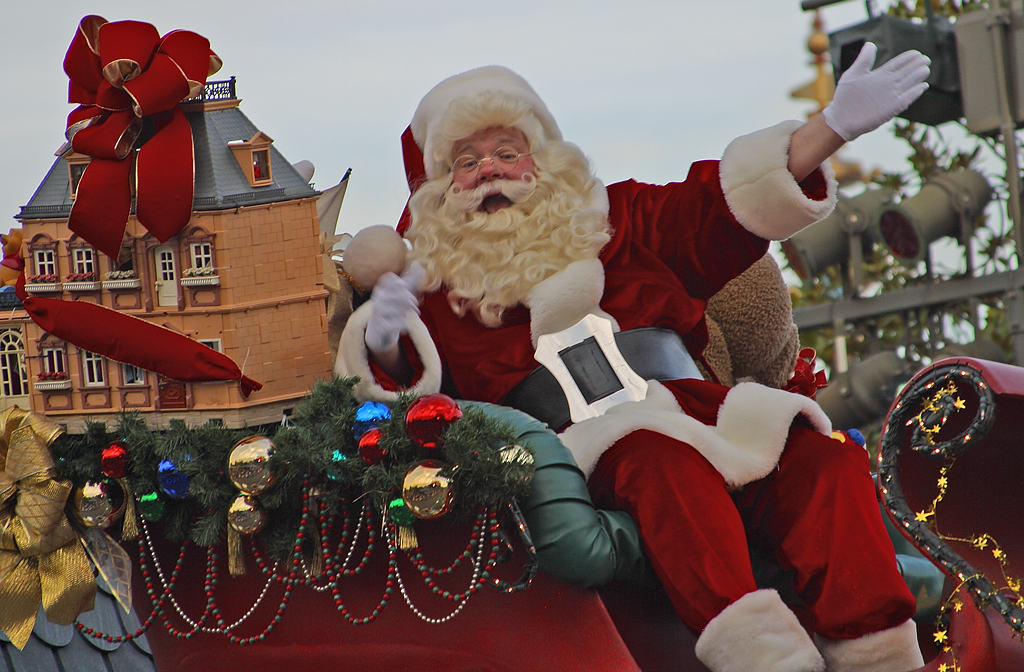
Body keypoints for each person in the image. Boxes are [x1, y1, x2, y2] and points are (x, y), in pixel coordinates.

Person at [337, 45, 930, 672]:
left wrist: (829, 129)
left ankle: (879, 656)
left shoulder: (623, 220)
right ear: (441, 186)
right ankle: (767, 660)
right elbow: (402, 393)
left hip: (703, 412)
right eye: (467, 160)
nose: (490, 171)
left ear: (541, 160)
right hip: (580, 447)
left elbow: (725, 210)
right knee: (659, 464)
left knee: (820, 461)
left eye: (507, 152)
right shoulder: (432, 287)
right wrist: (382, 336)